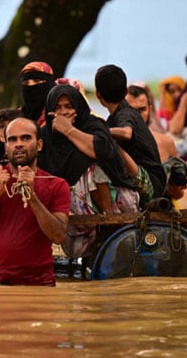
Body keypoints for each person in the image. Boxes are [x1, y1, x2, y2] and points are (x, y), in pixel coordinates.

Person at [0, 118, 69, 286]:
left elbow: (59, 235)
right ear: (5, 146)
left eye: (25, 138)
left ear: (39, 145)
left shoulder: (56, 184)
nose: (18, 144)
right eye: (12, 139)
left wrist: (32, 196)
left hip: (40, 284)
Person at [39, 83, 137, 259]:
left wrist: (68, 130)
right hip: (70, 212)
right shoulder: (45, 136)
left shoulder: (94, 125)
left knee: (92, 165)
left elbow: (99, 150)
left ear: (78, 106)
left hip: (118, 204)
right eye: (58, 108)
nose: (63, 112)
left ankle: (108, 221)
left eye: (69, 106)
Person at [95, 64, 167, 203]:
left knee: (106, 143)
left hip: (152, 185)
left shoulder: (126, 113)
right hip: (143, 180)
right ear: (126, 90)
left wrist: (101, 132)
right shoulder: (113, 118)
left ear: (98, 95)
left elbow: (126, 133)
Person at [125, 84, 177, 161]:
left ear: (150, 109)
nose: (137, 115)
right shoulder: (115, 145)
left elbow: (177, 171)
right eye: (132, 110)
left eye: (142, 109)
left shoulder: (167, 142)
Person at [19, 61, 56, 126]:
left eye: (37, 81)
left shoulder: (59, 113)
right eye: (26, 83)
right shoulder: (17, 117)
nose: (31, 86)